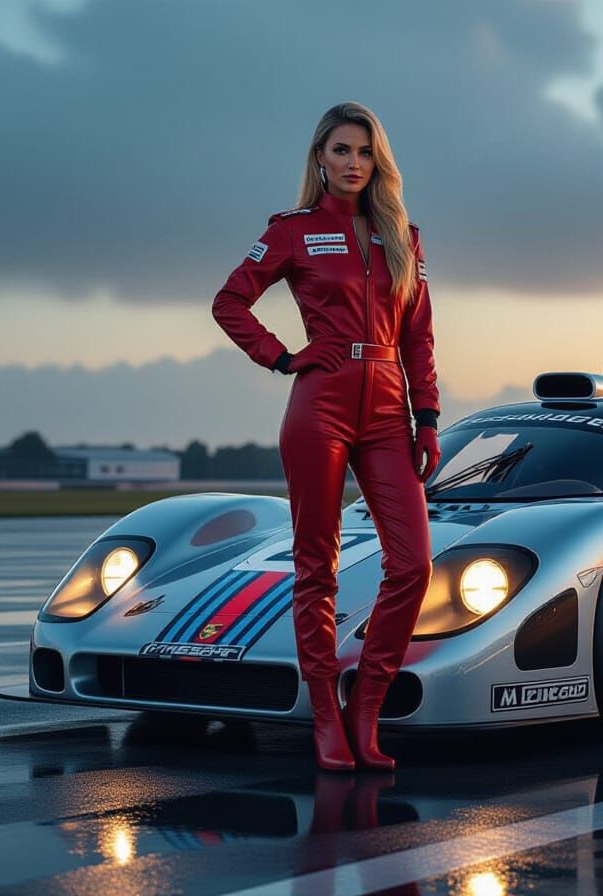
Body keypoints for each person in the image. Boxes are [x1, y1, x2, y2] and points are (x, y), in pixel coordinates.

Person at [211, 102, 441, 772]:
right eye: (341, 150)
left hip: (390, 411)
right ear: (319, 158)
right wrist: (282, 356)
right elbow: (230, 301)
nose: (353, 163)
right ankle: (325, 721)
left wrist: (426, 418)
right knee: (318, 566)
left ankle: (365, 709)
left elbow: (420, 338)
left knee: (413, 563)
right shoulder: (292, 231)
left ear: (378, 162)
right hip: (321, 404)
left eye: (365, 152)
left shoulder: (402, 236)